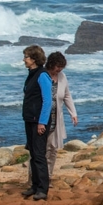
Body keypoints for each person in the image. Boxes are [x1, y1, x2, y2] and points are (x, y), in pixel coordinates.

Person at [26, 52, 78, 186]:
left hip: (57, 117)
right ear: (51, 64)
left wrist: (73, 113)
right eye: (57, 66)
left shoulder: (62, 77)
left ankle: (48, 177)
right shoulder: (43, 75)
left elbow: (67, 95)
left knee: (53, 148)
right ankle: (34, 179)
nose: (59, 69)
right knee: (39, 150)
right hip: (43, 118)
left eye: (62, 67)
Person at [20, 45, 51, 201]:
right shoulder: (31, 74)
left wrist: (42, 122)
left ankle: (42, 189)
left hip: (38, 121)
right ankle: (35, 185)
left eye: (26, 57)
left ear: (33, 59)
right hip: (29, 119)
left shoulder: (42, 75)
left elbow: (47, 100)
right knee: (33, 154)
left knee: (39, 155)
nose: (24, 59)